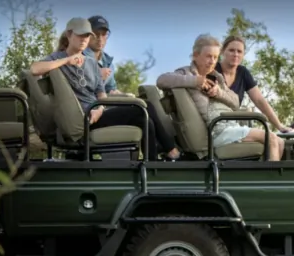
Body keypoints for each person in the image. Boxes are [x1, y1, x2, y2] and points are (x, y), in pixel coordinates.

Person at [29, 17, 181, 161]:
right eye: (80, 35)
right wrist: (66, 60)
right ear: (69, 35)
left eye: (87, 36)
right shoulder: (58, 58)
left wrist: (100, 108)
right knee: (145, 107)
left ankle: (151, 166)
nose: (84, 40)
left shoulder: (91, 63)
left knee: (144, 117)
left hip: (97, 113)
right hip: (83, 118)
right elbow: (35, 69)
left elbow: (101, 95)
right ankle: (171, 150)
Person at [156, 34, 284, 161]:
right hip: (217, 130)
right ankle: (272, 181)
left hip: (230, 126)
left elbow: (235, 102)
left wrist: (219, 93)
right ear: (196, 55)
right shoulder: (186, 73)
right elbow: (162, 80)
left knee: (280, 141)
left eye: (215, 57)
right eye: (208, 56)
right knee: (271, 139)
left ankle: (271, 179)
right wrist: (196, 81)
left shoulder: (217, 77)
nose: (212, 61)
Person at [216, 35, 293, 133]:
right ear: (223, 51)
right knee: (270, 139)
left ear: (243, 54)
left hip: (232, 124)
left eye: (239, 51)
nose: (235, 54)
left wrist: (279, 126)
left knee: (276, 140)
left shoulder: (243, 72)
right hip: (215, 122)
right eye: (231, 50)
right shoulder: (213, 70)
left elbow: (259, 100)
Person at [82, 15, 124, 96]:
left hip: (103, 104)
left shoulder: (108, 62)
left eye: (104, 34)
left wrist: (124, 96)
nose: (100, 38)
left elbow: (110, 89)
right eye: (96, 34)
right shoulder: (78, 56)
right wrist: (97, 76)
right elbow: (75, 88)